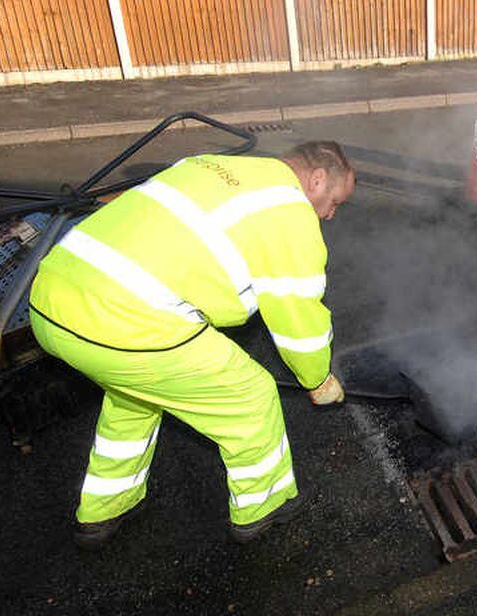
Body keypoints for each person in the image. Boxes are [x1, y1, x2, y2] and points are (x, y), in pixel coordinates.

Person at [28, 140, 355, 549]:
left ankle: (105, 507)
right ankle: (264, 506)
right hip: (126, 322)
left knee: (134, 394)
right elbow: (297, 316)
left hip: (50, 299)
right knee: (250, 395)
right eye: (334, 201)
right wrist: (318, 379)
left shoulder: (209, 162)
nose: (330, 213)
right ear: (317, 178)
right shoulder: (290, 211)